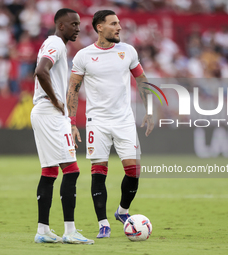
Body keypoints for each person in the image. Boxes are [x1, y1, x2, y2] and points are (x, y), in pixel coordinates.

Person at [67, 10, 154, 238]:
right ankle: (102, 223)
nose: (119, 27)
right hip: (97, 122)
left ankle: (122, 211)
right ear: (99, 27)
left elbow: (142, 80)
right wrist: (72, 122)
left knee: (134, 171)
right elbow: (73, 89)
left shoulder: (128, 51)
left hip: (124, 120)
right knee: (99, 173)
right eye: (114, 24)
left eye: (119, 23)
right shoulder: (84, 56)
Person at [31, 8, 94, 245]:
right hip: (49, 112)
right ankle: (70, 231)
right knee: (72, 170)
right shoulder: (56, 43)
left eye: (79, 24)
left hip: (45, 113)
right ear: (60, 25)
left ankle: (43, 230)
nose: (78, 27)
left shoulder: (57, 44)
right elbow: (40, 71)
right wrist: (57, 101)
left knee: (49, 172)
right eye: (73, 24)